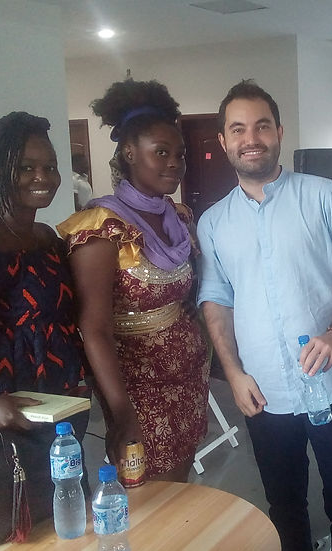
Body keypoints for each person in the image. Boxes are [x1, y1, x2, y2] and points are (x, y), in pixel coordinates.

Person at [197, 80, 332, 551]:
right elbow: (216, 299)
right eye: (237, 129)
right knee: (283, 507)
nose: (250, 138)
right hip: (263, 392)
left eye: (261, 125)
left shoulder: (325, 197)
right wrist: (233, 373)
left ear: (279, 131)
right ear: (223, 142)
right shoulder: (214, 222)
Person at [57, 79, 210, 482]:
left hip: (188, 376)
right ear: (129, 153)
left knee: (179, 487)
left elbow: (187, 294)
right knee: (145, 498)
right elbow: (93, 329)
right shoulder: (101, 229)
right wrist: (121, 413)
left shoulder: (177, 218)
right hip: (137, 388)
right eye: (161, 152)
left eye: (179, 154)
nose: (174, 162)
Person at [0, 111, 86, 430]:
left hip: (65, 400)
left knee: (73, 479)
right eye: (26, 167)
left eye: (50, 167)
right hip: (12, 407)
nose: (43, 177)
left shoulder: (46, 238)